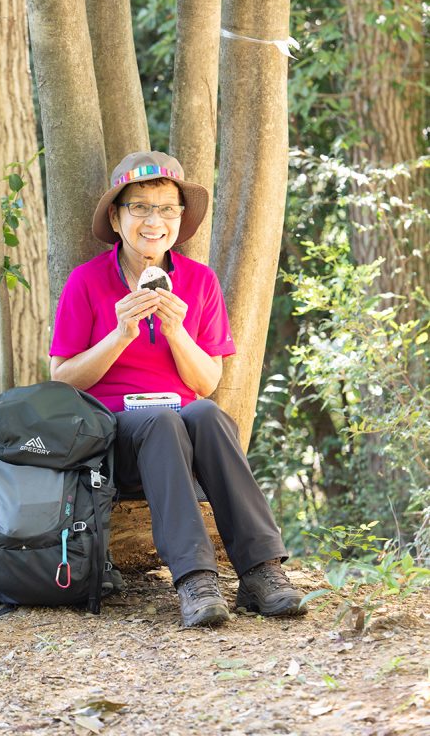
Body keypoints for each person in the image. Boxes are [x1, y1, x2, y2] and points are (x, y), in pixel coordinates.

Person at [49, 150, 306, 627]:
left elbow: (207, 383)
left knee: (206, 414)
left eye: (167, 208)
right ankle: (195, 580)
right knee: (163, 420)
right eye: (141, 207)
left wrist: (175, 331)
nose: (155, 220)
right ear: (117, 216)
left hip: (184, 435)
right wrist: (120, 334)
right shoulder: (86, 282)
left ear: (180, 219)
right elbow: (62, 379)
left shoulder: (200, 281)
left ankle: (261, 571)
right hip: (114, 439)